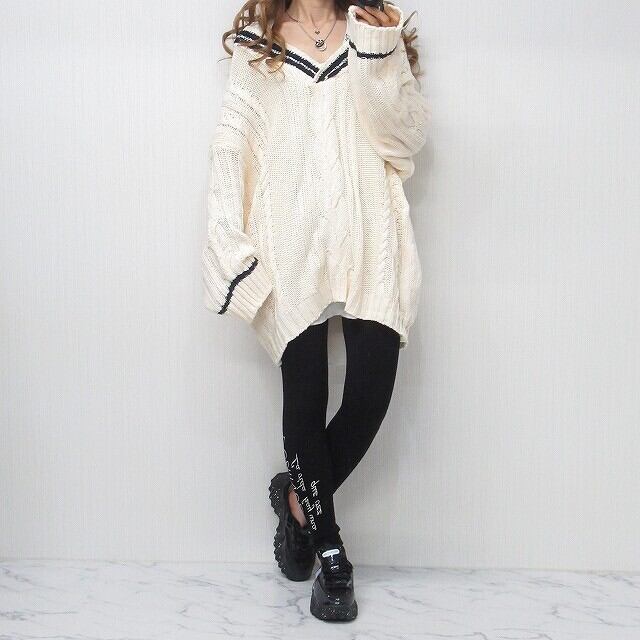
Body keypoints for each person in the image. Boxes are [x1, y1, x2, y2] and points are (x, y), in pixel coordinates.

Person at [201, 0, 430, 622]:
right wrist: (230, 248)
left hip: (370, 233)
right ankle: (331, 555)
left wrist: (379, 55)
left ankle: (298, 503)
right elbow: (231, 149)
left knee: (371, 391)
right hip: (289, 242)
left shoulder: (373, 32)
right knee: (304, 392)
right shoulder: (260, 44)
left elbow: (405, 139)